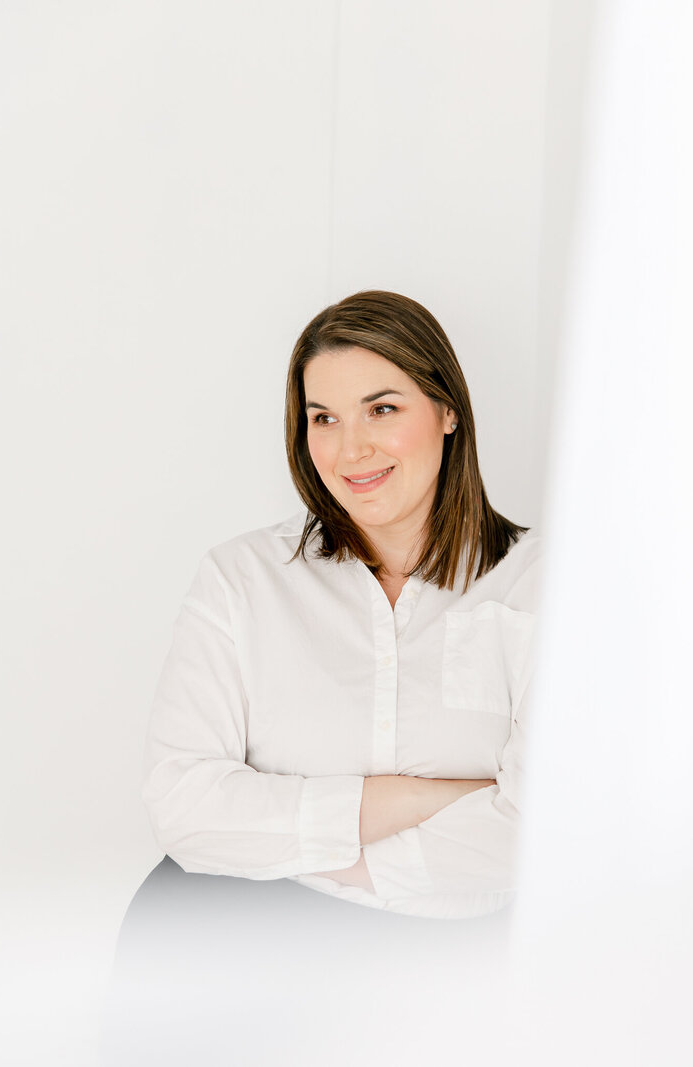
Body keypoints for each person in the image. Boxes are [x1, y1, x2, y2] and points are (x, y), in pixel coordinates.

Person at [103, 290, 540, 1065]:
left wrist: (300, 847)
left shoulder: (544, 584)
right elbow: (181, 803)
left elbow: (548, 834)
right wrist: (421, 800)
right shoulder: (241, 579)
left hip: (450, 980)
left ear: (447, 409)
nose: (350, 449)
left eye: (381, 408)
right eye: (323, 417)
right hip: (220, 954)